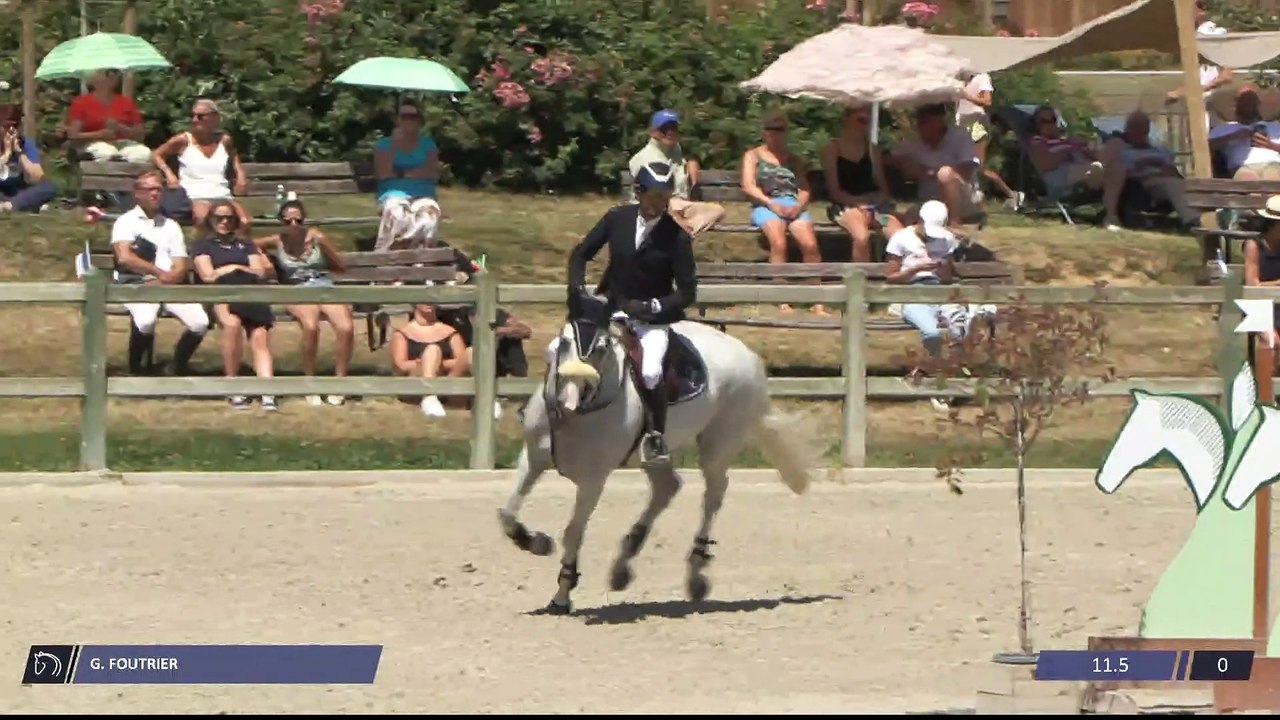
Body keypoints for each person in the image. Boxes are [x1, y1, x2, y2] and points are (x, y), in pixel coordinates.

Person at [562, 161, 697, 466]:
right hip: (610, 307)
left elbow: (687, 292)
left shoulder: (677, 237)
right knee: (566, 345)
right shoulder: (617, 218)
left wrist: (654, 306)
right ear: (639, 192)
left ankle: (656, 435)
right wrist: (578, 288)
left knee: (650, 371)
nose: (656, 204)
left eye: (663, 198)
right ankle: (549, 409)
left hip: (651, 319)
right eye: (652, 196)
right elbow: (581, 254)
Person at [253, 199, 354, 407]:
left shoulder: (316, 238)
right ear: (281, 221)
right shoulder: (278, 240)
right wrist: (264, 259)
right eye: (288, 221)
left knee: (345, 327)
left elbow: (341, 267)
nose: (293, 225)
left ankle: (340, 381)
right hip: (295, 287)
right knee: (311, 326)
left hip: (323, 284)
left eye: (298, 220)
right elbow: (251, 244)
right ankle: (309, 381)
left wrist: (324, 245)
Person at [110, 170, 208, 376]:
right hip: (137, 285)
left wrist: (169, 278)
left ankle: (176, 366)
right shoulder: (125, 222)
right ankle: (137, 370)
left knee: (200, 322)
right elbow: (124, 257)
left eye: (158, 189)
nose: (155, 193)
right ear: (137, 193)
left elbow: (181, 263)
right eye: (150, 189)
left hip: (170, 285)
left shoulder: (171, 226)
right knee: (146, 320)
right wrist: (157, 272)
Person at [740, 110, 828, 314]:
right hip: (765, 204)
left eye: (780, 129)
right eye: (771, 129)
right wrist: (771, 204)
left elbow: (804, 188)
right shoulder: (753, 156)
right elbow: (748, 185)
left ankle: (817, 299)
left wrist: (798, 205)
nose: (775, 133)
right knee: (779, 243)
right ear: (764, 131)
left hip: (792, 204)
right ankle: (781, 298)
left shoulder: (794, 159)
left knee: (810, 245)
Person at [191, 199, 276, 411]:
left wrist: (231, 268)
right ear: (211, 220)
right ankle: (233, 385)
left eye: (229, 218)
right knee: (232, 325)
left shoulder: (246, 244)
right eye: (219, 217)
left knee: (260, 334)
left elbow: (259, 272)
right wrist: (236, 268)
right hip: (221, 293)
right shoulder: (203, 245)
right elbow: (208, 276)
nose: (224, 222)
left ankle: (268, 391)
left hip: (249, 291)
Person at [151, 98, 251, 231]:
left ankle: (238, 245)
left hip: (222, 194)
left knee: (245, 221)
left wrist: (240, 174)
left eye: (200, 116)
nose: (195, 120)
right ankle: (207, 244)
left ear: (214, 118)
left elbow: (233, 156)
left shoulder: (224, 140)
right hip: (195, 195)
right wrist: (169, 173)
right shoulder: (184, 140)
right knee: (203, 218)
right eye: (192, 115)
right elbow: (156, 155)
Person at [821, 106, 903, 262]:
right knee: (861, 237)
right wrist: (859, 204)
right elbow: (834, 191)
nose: (864, 125)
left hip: (876, 210)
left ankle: (894, 273)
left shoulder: (872, 150)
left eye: (867, 121)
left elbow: (883, 189)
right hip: (847, 206)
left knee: (898, 235)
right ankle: (861, 275)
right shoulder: (833, 149)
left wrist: (874, 203)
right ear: (847, 119)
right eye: (861, 120)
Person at [628, 109, 725, 236]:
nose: (670, 132)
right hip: (653, 206)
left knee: (718, 211)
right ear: (653, 131)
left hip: (679, 205)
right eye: (664, 128)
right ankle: (680, 233)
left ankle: (682, 231)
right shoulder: (645, 158)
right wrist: (676, 217)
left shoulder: (675, 150)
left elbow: (685, 161)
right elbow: (652, 199)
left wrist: (691, 163)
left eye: (674, 128)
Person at [891, 103, 982, 228]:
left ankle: (954, 223)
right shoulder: (914, 141)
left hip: (962, 201)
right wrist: (905, 163)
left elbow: (965, 171)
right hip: (929, 202)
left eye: (925, 121)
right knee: (898, 220)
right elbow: (889, 158)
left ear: (940, 120)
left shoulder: (959, 136)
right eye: (918, 121)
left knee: (945, 173)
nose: (920, 126)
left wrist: (929, 172)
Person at [373, 100, 442, 251]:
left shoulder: (428, 145)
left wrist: (399, 173)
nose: (408, 120)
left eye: (413, 117)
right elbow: (383, 173)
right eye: (404, 116)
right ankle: (388, 254)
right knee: (398, 214)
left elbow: (431, 172)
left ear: (419, 120)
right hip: (393, 194)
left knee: (429, 217)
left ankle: (420, 258)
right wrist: (395, 145)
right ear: (397, 120)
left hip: (423, 193)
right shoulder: (384, 144)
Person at [389, 301, 471, 419]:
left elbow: (462, 360)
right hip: (416, 380)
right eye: (424, 299)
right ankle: (429, 395)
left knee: (471, 352)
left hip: (447, 379)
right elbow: (401, 365)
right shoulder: (403, 333)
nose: (429, 303)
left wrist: (436, 363)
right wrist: (426, 361)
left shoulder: (450, 332)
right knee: (432, 349)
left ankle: (487, 398)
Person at [955, 71, 1022, 210]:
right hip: (962, 127)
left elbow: (987, 101)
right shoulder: (961, 78)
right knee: (959, 164)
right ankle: (968, 198)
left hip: (976, 127)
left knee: (979, 167)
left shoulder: (982, 78)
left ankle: (1011, 194)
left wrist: (967, 96)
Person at [63, 68, 152, 164]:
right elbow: (73, 135)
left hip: (124, 144)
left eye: (115, 72)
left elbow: (140, 136)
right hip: (95, 145)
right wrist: (99, 134)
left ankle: (121, 161)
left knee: (143, 153)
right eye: (107, 73)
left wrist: (120, 127)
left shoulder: (126, 102)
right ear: (94, 80)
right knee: (106, 153)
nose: (112, 76)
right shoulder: (81, 103)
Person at [1209, 86, 1280, 181]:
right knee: (1247, 179)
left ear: (1258, 103)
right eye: (1244, 101)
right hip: (1242, 166)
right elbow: (1209, 148)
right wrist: (1234, 136)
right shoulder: (1224, 128)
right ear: (1236, 104)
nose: (1248, 104)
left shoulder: (1274, 125)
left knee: (1273, 178)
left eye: (1251, 100)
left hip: (1272, 164)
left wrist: (1270, 145)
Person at [0, 106, 57, 213]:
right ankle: (23, 205)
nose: (11, 130)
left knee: (49, 187)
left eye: (15, 126)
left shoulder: (25, 144)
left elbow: (37, 177)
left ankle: (11, 205)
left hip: (17, 190)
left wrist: (19, 152)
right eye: (7, 126)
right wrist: (6, 154)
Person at [1243, 195, 1280, 352]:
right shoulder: (1254, 246)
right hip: (1257, 304)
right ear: (1273, 224)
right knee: (1272, 341)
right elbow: (1252, 285)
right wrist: (1277, 284)